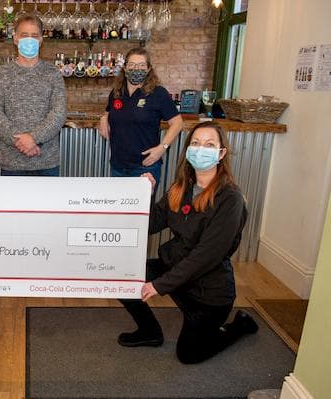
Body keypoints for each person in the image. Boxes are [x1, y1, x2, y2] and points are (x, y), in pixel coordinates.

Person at [118, 121, 258, 364]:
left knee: (189, 355)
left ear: (221, 153)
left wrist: (159, 285)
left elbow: (205, 256)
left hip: (208, 292)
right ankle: (150, 332)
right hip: (177, 270)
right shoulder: (180, 188)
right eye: (195, 143)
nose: (200, 149)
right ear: (187, 150)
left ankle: (239, 326)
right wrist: (144, 195)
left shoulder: (230, 199)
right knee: (123, 276)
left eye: (209, 144)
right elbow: (149, 224)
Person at [0, 15, 67, 176]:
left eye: (34, 36)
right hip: (11, 164)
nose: (29, 40)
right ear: (15, 38)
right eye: (24, 35)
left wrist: (33, 138)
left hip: (47, 162)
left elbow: (59, 113)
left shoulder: (53, 73)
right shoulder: (1, 74)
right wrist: (22, 142)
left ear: (41, 40)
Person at [98, 47, 183, 188]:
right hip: (118, 166)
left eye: (142, 65)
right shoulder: (117, 92)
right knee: (118, 209)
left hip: (145, 167)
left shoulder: (158, 93)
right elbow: (109, 112)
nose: (136, 69)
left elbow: (177, 123)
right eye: (132, 65)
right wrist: (103, 118)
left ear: (149, 69)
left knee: (141, 210)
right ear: (125, 68)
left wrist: (162, 148)